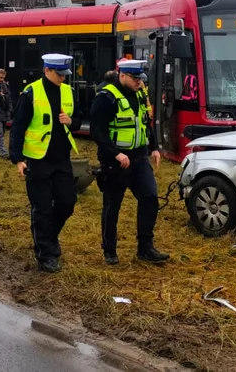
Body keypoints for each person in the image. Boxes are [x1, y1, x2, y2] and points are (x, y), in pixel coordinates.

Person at [90, 59, 169, 266]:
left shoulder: (140, 93)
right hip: (114, 161)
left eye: (140, 78)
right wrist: (116, 153)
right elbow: (97, 131)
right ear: (122, 75)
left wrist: (154, 147)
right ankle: (109, 250)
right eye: (135, 78)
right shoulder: (107, 97)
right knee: (112, 205)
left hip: (139, 158)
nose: (138, 82)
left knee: (150, 197)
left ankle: (145, 248)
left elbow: (145, 121)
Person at [10, 53, 79, 273]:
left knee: (67, 203)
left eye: (65, 74)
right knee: (41, 208)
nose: (63, 78)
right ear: (47, 70)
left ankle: (48, 237)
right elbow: (18, 127)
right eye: (59, 74)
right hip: (38, 160)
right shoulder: (31, 93)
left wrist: (72, 121)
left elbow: (80, 118)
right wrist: (18, 159)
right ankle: (46, 254)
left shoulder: (69, 91)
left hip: (62, 159)